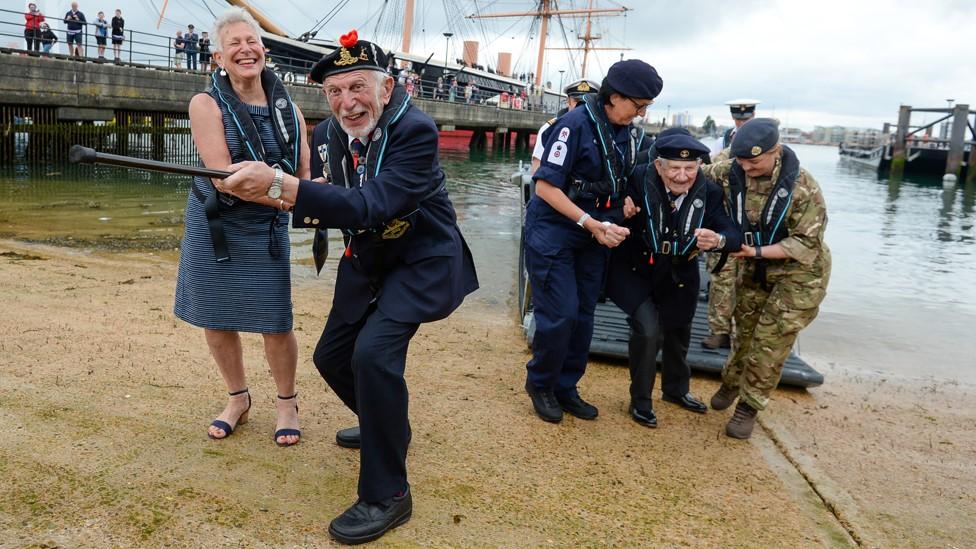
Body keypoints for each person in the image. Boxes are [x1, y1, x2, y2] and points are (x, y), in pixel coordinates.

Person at [217, 29, 478, 544]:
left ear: (386, 87)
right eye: (335, 92)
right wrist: (261, 189)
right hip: (367, 260)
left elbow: (369, 205)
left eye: (357, 87)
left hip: (421, 258)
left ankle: (388, 495)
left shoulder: (417, 132)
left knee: (373, 356)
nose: (346, 102)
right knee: (332, 357)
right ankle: (389, 430)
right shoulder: (326, 135)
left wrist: (278, 184)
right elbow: (320, 195)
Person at [174, 7, 309, 448]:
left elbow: (304, 179)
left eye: (251, 42)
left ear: (264, 51)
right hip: (217, 222)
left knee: (275, 320)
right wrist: (287, 192)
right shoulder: (205, 103)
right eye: (234, 44)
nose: (244, 50)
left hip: (267, 225)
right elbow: (222, 176)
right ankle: (238, 398)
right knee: (216, 316)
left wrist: (312, 196)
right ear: (218, 57)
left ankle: (286, 402)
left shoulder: (292, 110)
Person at [523, 59, 661, 423]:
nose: (641, 114)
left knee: (584, 316)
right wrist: (589, 222)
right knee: (560, 314)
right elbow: (545, 187)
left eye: (646, 107)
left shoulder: (626, 132)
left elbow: (620, 178)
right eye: (637, 106)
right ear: (614, 97)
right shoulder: (573, 126)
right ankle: (540, 383)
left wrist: (624, 202)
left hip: (594, 234)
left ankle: (567, 386)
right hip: (556, 230)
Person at [702, 118, 830, 439]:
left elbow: (806, 243)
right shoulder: (732, 170)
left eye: (754, 161)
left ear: (776, 151)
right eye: (741, 160)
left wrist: (755, 253)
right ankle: (732, 382)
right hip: (755, 266)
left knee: (770, 340)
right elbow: (693, 177)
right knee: (745, 331)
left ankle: (749, 404)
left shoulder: (803, 188)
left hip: (800, 274)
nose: (746, 167)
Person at [607, 129, 741, 428]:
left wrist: (717, 239)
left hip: (681, 271)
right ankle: (641, 400)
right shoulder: (636, 179)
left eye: (690, 168)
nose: (682, 176)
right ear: (658, 166)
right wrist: (621, 212)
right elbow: (607, 208)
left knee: (679, 332)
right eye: (675, 168)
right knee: (648, 330)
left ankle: (675, 390)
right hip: (636, 269)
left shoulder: (711, 192)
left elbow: (732, 234)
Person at [702, 98, 762, 350]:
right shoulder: (723, 146)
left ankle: (743, 333)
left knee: (751, 283)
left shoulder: (766, 145)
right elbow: (708, 173)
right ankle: (720, 330)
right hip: (727, 220)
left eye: (746, 119)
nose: (741, 122)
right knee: (721, 279)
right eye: (738, 119)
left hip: (755, 226)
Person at [530, 79, 600, 172]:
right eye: (577, 101)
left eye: (587, 101)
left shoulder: (602, 131)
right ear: (568, 101)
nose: (582, 106)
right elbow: (537, 166)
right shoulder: (550, 128)